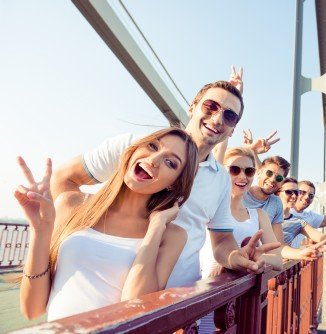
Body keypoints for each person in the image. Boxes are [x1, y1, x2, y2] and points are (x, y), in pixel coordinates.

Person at [51, 78, 280, 290]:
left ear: (233, 129)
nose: (218, 119)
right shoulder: (135, 147)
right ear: (193, 106)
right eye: (210, 106)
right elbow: (65, 178)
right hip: (99, 293)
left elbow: (221, 240)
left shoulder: (220, 179)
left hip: (174, 306)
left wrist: (235, 257)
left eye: (229, 116)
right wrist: (61, 248)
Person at [15, 128, 198, 320]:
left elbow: (135, 311)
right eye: (152, 146)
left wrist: (156, 227)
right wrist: (40, 231)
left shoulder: (171, 236)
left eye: (170, 162)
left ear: (174, 184)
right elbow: (32, 309)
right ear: (133, 151)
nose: (154, 159)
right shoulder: (72, 204)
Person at [201, 147, 283, 278]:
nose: (242, 176)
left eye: (249, 171)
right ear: (223, 171)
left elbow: (278, 260)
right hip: (206, 290)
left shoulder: (259, 215)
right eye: (234, 170)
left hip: (242, 295)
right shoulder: (209, 207)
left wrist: (259, 258)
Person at [243, 156, 325, 260]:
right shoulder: (241, 192)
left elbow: (278, 245)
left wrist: (301, 254)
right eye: (269, 173)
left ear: (282, 182)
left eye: (279, 178)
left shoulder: (276, 203)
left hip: (253, 265)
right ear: (259, 172)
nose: (272, 179)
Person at [277, 177, 326, 249]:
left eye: (296, 192)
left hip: (285, 261)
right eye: (288, 192)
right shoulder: (268, 214)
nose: (294, 196)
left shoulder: (299, 222)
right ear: (277, 193)